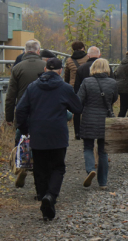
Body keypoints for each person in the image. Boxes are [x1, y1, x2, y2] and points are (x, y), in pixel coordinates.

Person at [15, 58, 83, 221]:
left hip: (37, 133)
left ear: (45, 69)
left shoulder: (32, 87)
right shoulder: (64, 88)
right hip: (58, 134)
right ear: (60, 70)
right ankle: (51, 196)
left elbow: (20, 110)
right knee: (58, 167)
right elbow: (78, 108)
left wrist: (25, 129)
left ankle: (44, 198)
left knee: (40, 169)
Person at [5, 39, 46, 188]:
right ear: (38, 51)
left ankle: (21, 166)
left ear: (24, 51)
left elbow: (10, 95)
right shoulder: (45, 67)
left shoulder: (17, 68)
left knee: (21, 139)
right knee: (41, 145)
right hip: (43, 111)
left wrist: (9, 117)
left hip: (23, 112)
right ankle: (39, 183)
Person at [77, 58, 118, 189]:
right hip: (105, 119)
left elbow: (79, 100)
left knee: (88, 147)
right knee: (103, 151)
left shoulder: (86, 82)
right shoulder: (112, 82)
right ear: (107, 68)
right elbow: (114, 98)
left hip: (89, 117)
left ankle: (90, 170)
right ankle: (103, 183)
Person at [64, 41, 89, 140]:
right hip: (87, 85)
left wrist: (67, 86)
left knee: (77, 110)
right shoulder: (88, 58)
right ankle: (86, 131)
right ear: (83, 48)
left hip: (74, 87)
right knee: (87, 108)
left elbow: (67, 76)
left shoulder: (69, 60)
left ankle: (77, 133)